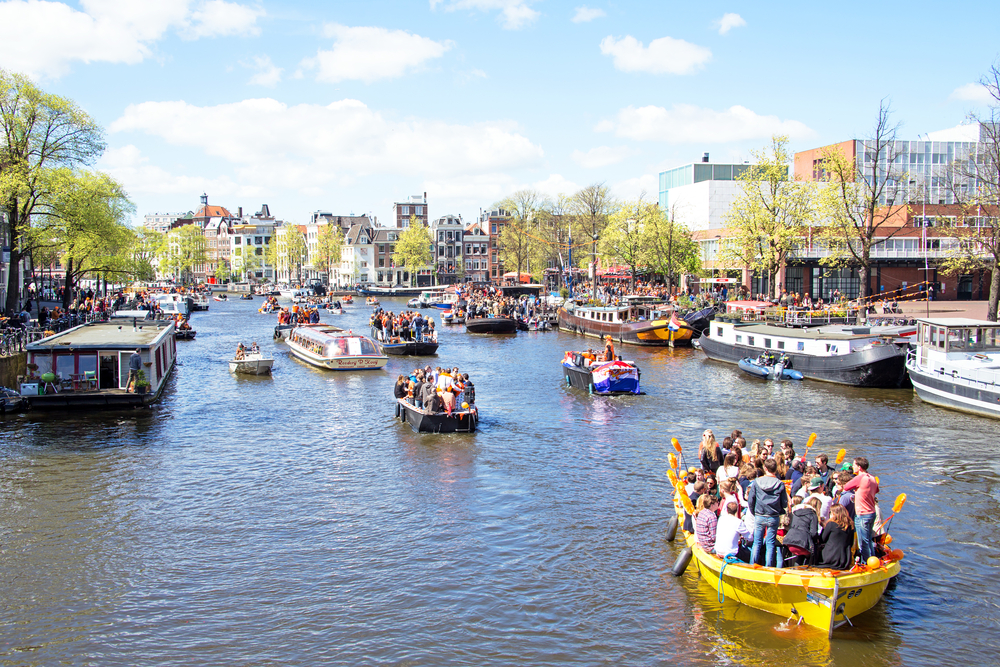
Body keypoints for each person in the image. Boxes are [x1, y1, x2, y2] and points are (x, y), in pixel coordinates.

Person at [747, 458, 788, 568]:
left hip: (760, 515)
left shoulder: (757, 482)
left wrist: (754, 512)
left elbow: (751, 500)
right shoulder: (780, 484)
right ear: (776, 469)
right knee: (770, 544)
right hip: (773, 516)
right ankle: (769, 567)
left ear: (765, 468)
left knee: (757, 543)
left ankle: (752, 565)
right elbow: (784, 502)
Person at [843, 456, 879, 562]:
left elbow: (846, 487)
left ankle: (867, 563)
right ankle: (873, 561)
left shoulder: (860, 477)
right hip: (871, 512)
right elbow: (876, 490)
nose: (852, 467)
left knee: (863, 542)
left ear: (859, 467)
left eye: (854, 465)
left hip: (862, 513)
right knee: (868, 540)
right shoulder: (872, 478)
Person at [783, 496, 822, 566]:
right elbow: (813, 533)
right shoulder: (813, 515)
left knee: (800, 556)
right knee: (810, 554)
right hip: (802, 544)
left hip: (790, 542)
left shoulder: (796, 513)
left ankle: (795, 572)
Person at [816, 505, 855, 570]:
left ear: (834, 513)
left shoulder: (831, 524)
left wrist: (824, 527)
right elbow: (851, 542)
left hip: (830, 556)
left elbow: (822, 539)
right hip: (845, 558)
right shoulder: (850, 525)